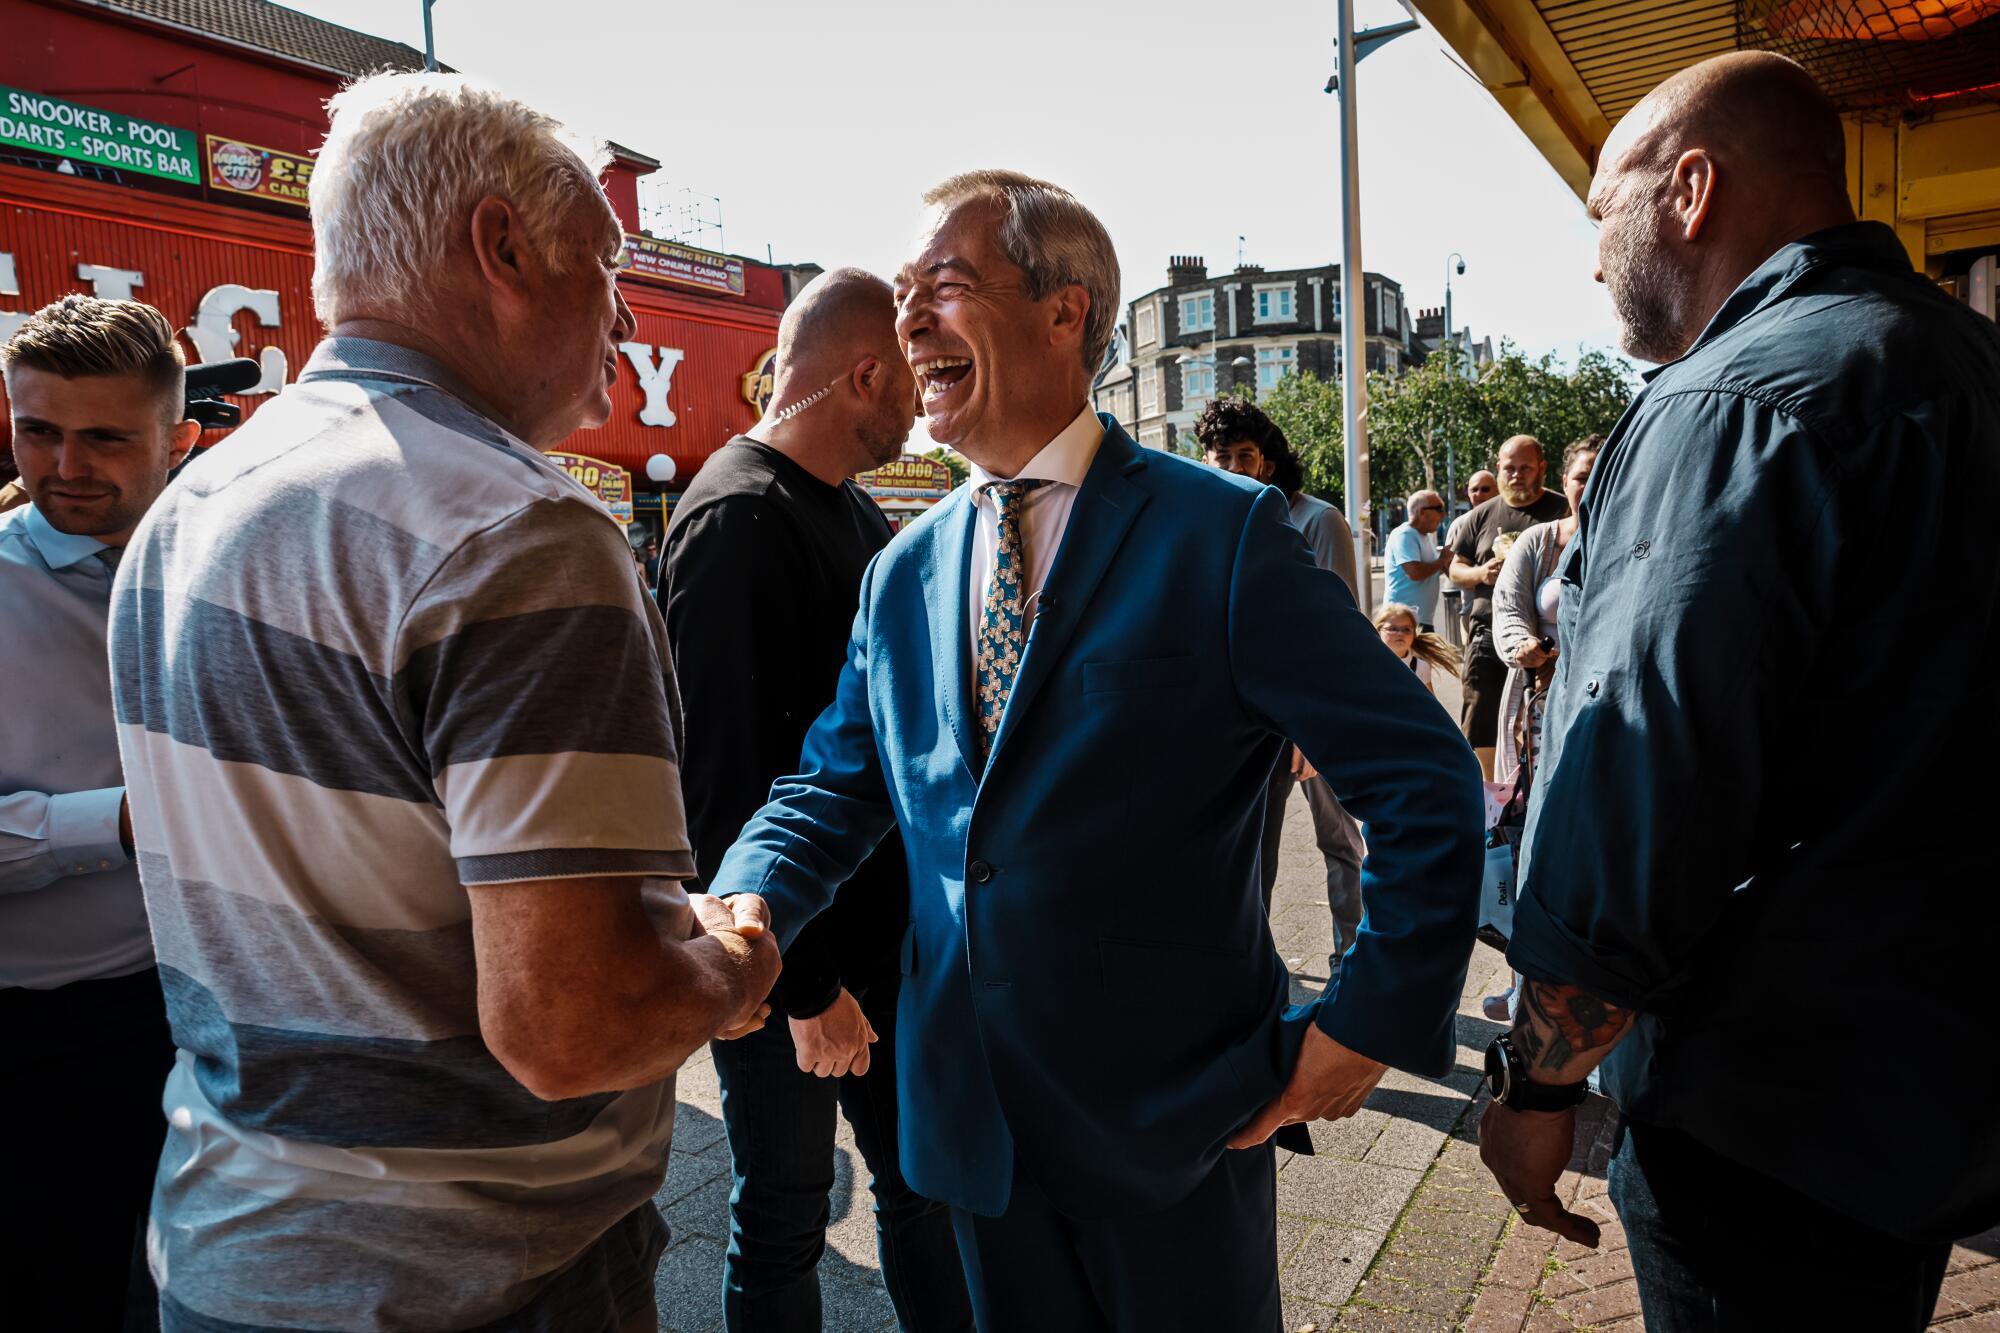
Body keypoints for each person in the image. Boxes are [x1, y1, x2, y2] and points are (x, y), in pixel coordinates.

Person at [707, 169, 1483, 1331]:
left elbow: (1423, 785)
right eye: (904, 290)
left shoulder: (1218, 534)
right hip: (971, 1134)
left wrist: (1364, 1023)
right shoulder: (901, 570)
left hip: (1174, 1128)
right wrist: (750, 890)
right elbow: (833, 781)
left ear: (1064, 310)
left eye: (945, 286)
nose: (907, 316)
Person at [107, 73, 780, 1333]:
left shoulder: (190, 508)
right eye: (605, 262)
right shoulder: (513, 529)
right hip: (476, 1277)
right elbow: (571, 1027)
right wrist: (734, 962)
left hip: (232, 1251)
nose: (624, 313)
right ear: (504, 246)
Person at [1476, 52, 2000, 1333]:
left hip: (1764, 1112)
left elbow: (1636, 784)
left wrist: (1537, 1094)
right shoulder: (1970, 366)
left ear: (1691, 189)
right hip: (1935, 1082)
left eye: (1602, 213)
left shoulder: (1726, 400)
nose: (1592, 260)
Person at [659, 268, 972, 1333]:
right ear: (863, 371)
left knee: (921, 1195)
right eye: (912, 380)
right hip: (783, 956)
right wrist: (804, 988)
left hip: (876, 949)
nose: (922, 410)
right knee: (786, 1215)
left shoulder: (847, 508)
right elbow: (723, 789)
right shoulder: (737, 519)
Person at [1, 295, 199, 1333]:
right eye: (39, 430)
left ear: (181, 435)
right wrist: (119, 820)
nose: (64, 463)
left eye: (105, 437)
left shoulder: (218, 574)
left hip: (209, 1004)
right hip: (45, 1036)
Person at [1194, 396, 1368, 969]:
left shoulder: (1317, 519)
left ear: (1267, 462)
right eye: (1223, 456)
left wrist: (1312, 730)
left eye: (1247, 455)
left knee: (1339, 840)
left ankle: (1355, 965)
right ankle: (1252, 969)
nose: (1236, 467)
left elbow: (1338, 635)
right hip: (1241, 720)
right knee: (1249, 853)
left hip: (1313, 719)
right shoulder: (1209, 520)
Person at [1448, 437, 1568, 776]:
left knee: (1540, 722)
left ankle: (1536, 794)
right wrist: (1480, 572)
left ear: (1542, 469)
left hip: (1547, 640)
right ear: (1499, 468)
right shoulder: (1482, 515)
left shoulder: (1562, 511)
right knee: (1480, 716)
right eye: (1509, 468)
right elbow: (1456, 567)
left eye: (1525, 467)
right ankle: (1492, 799)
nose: (1516, 475)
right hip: (1487, 633)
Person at [1490, 437, 1600, 786]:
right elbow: (1508, 606)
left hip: (1609, 700)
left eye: (1604, 473)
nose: (1592, 485)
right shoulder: (1537, 540)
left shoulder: (1640, 544)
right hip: (1539, 696)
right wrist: (1521, 643)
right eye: (1582, 477)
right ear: (1565, 480)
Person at [1384, 489, 1451, 629]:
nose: (1444, 514)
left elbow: (1429, 570)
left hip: (1417, 621)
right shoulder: (1405, 535)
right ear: (1421, 512)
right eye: (1439, 509)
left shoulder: (1423, 536)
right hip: (1403, 622)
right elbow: (1415, 572)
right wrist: (1442, 561)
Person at [1372, 601, 1458, 696]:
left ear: (1414, 634)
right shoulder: (1370, 664)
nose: (1400, 633)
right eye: (1393, 629)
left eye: (1406, 629)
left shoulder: (1420, 666)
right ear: (1378, 632)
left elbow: (1430, 705)